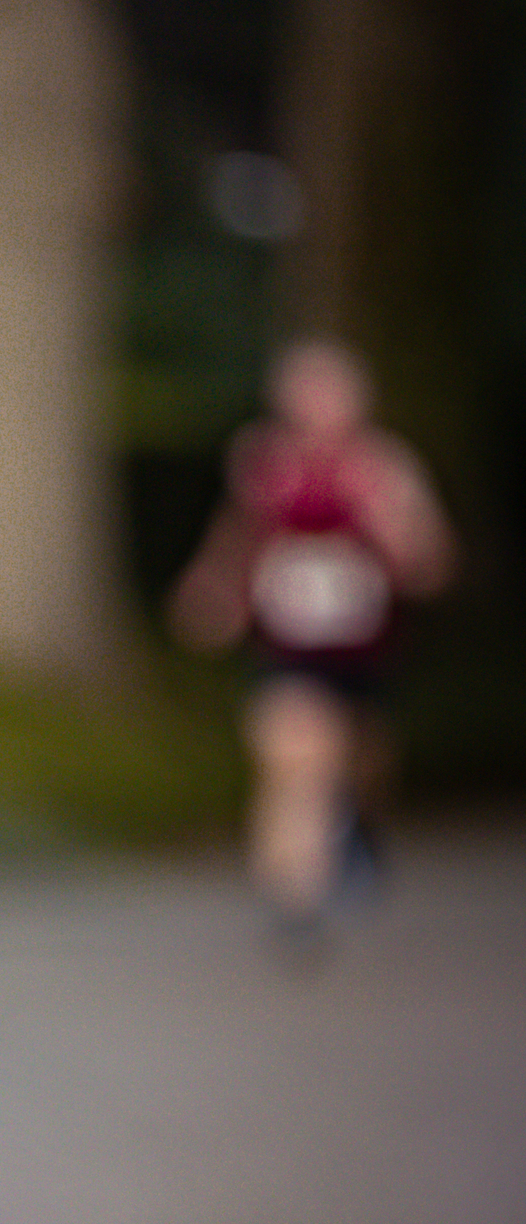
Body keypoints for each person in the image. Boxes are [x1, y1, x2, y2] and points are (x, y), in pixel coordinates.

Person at [169, 337, 455, 937]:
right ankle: (295, 889)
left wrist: (390, 529)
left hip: (365, 650)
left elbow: (430, 564)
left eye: (331, 395)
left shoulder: (384, 467)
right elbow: (238, 538)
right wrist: (212, 593)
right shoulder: (263, 462)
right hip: (290, 646)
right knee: (291, 755)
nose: (318, 409)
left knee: (362, 764)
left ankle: (360, 830)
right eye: (306, 395)